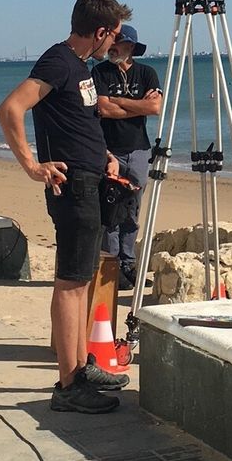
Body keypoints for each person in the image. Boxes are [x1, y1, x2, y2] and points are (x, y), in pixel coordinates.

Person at [0, 0, 133, 414]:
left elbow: (78, 121)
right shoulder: (58, 60)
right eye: (113, 36)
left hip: (91, 180)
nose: (114, 44)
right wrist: (32, 165)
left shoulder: (78, 67)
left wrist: (106, 156)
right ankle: (68, 384)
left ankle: (80, 367)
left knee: (83, 280)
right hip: (72, 186)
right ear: (99, 32)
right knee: (71, 285)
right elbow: (11, 108)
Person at [93, 23, 161, 287]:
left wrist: (118, 101)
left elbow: (154, 107)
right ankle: (111, 265)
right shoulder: (99, 72)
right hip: (108, 150)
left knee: (133, 207)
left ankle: (128, 261)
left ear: (130, 47)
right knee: (110, 207)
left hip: (139, 149)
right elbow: (102, 108)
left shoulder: (147, 73)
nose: (112, 47)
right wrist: (137, 106)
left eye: (118, 44)